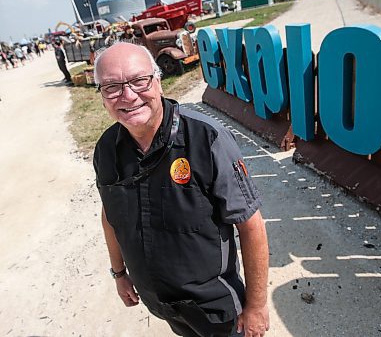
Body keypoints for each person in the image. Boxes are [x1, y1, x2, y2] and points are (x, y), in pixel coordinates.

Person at [93, 42, 270, 337]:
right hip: (162, 304)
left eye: (139, 80)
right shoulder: (106, 150)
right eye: (111, 87)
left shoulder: (206, 138)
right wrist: (120, 274)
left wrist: (256, 305)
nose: (128, 95)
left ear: (158, 82)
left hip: (216, 310)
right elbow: (109, 215)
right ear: (101, 97)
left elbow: (251, 225)